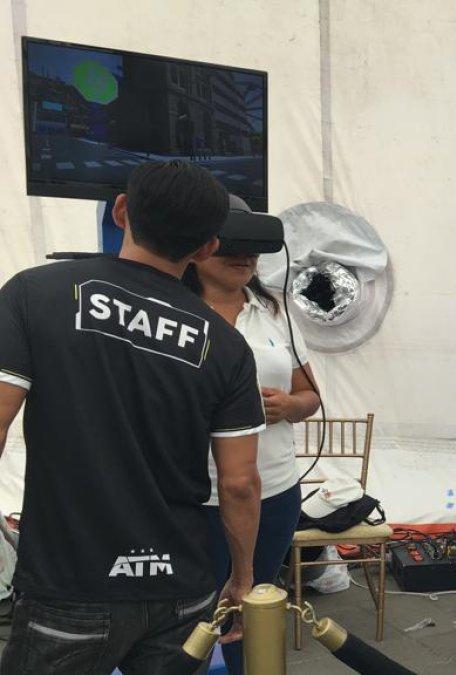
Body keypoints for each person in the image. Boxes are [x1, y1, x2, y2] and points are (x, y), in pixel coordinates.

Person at [0, 160, 265, 674]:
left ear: (121, 211)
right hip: (180, 590)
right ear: (207, 247)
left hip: (70, 586)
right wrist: (242, 578)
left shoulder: (35, 294)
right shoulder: (227, 345)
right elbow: (239, 483)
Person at [183, 196, 321, 675]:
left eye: (253, 247)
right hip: (193, 496)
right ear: (198, 247)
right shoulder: (170, 310)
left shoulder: (274, 310)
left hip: (274, 491)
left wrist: (288, 406)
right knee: (191, 618)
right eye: (230, 244)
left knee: (255, 608)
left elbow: (311, 395)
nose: (244, 256)